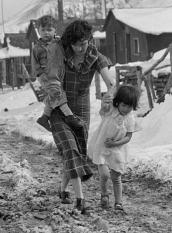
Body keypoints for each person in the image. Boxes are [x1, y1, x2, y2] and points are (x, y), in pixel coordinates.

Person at [49, 19, 115, 214]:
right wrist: (62, 107)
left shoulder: (96, 56)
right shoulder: (59, 55)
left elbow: (110, 82)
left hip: (82, 110)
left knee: (75, 152)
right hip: (59, 107)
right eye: (75, 44)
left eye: (83, 43)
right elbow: (52, 84)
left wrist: (109, 96)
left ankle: (63, 190)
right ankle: (80, 200)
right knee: (70, 149)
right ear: (69, 43)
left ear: (89, 40)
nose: (79, 48)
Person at [87, 85, 142, 211]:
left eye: (129, 107)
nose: (126, 109)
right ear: (118, 103)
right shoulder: (111, 110)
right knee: (105, 174)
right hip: (102, 146)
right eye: (123, 105)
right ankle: (104, 193)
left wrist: (115, 143)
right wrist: (106, 100)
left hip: (117, 150)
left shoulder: (130, 119)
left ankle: (118, 202)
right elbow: (104, 107)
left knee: (116, 176)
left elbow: (128, 137)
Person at [31, 15, 84, 132]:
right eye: (43, 30)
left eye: (49, 30)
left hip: (60, 74)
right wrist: (40, 74)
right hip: (47, 75)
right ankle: (69, 116)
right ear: (38, 31)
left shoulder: (59, 43)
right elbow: (35, 64)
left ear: (55, 30)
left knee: (53, 95)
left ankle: (44, 118)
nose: (46, 33)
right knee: (57, 94)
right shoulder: (37, 48)